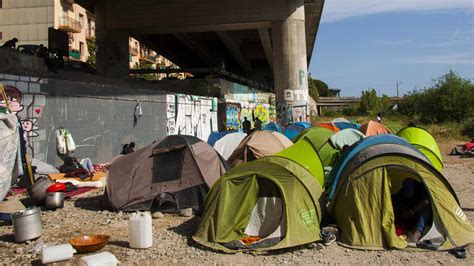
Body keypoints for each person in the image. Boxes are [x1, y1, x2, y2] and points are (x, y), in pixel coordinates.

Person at [392, 178, 431, 244]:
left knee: (425, 208)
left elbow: (426, 201)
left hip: (429, 218)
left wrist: (411, 211)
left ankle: (417, 232)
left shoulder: (423, 188)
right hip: (410, 216)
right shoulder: (406, 189)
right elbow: (398, 198)